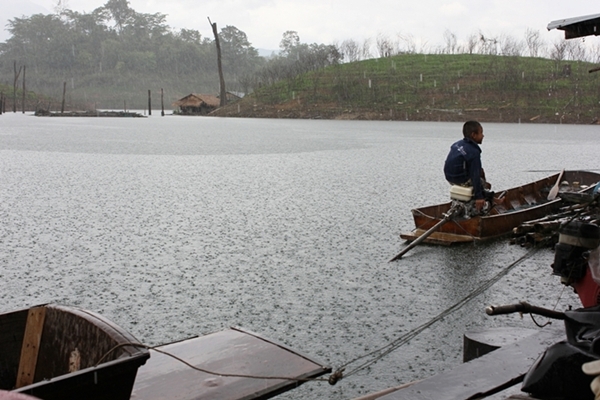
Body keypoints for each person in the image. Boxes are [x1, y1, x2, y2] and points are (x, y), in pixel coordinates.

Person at [443, 120, 491, 212]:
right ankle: (486, 201)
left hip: (449, 178)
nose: (483, 136)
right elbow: (475, 175)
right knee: (481, 181)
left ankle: (489, 197)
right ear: (474, 135)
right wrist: (479, 196)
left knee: (479, 172)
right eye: (481, 133)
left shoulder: (457, 144)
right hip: (460, 180)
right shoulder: (474, 152)